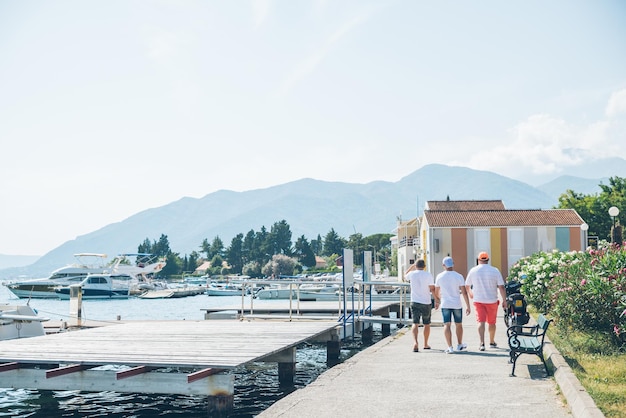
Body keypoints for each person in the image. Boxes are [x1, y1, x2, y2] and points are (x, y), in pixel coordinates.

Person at [465, 251, 508, 351]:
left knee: (481, 321)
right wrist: (504, 300)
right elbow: (501, 287)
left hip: (478, 300)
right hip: (492, 300)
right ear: (488, 260)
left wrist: (470, 293)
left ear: (478, 260)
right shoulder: (495, 270)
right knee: (492, 322)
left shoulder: (473, 270)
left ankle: (482, 343)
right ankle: (492, 341)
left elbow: (467, 285)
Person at [435, 256, 471, 354]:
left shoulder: (439, 276)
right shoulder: (459, 276)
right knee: (458, 324)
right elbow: (464, 292)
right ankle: (459, 344)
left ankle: (450, 347)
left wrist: (438, 300)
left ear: (443, 265)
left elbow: (436, 291)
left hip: (445, 303)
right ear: (453, 264)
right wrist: (468, 305)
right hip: (457, 304)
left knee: (447, 324)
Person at [405, 259, 438, 352]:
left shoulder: (412, 274)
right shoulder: (428, 275)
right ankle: (425, 343)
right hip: (426, 302)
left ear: (416, 266)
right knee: (426, 324)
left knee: (415, 323)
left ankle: (415, 342)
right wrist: (436, 299)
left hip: (415, 301)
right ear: (424, 266)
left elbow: (405, 276)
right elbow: (432, 288)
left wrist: (411, 267)